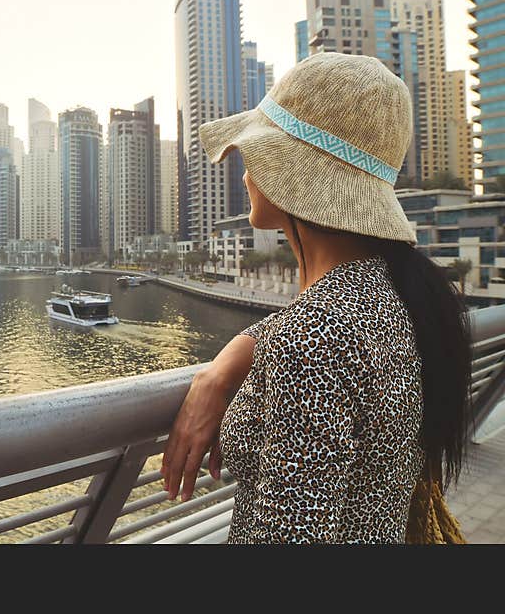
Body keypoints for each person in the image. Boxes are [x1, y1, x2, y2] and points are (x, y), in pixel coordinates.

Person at [160, 52, 472, 543]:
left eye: (255, 153)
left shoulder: (312, 339)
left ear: (290, 172)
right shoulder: (397, 298)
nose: (244, 171)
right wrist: (228, 364)